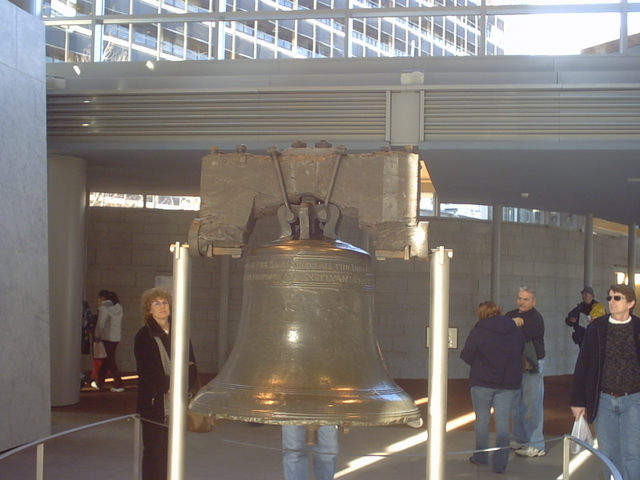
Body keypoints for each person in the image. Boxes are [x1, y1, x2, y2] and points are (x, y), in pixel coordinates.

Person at [570, 284, 640, 480]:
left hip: (634, 399)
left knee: (633, 454)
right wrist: (577, 401)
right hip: (605, 400)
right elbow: (582, 365)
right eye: (609, 298)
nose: (611, 302)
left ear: (631, 303)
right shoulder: (597, 328)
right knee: (608, 454)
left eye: (617, 298)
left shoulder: (638, 327)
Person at [134, 288, 198, 480]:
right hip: (155, 402)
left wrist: (181, 387)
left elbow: (192, 364)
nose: (162, 307)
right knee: (154, 450)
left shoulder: (179, 333)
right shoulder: (143, 336)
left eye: (164, 302)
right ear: (149, 310)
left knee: (172, 450)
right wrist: (169, 386)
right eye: (156, 303)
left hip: (176, 401)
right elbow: (147, 371)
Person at [460, 301, 524, 474]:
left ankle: (481, 457)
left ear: (481, 314)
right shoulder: (514, 331)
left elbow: (466, 355)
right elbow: (520, 352)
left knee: (482, 420)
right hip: (508, 383)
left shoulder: (479, 331)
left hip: (482, 382)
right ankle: (500, 464)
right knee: (503, 422)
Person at [506, 285, 546, 457]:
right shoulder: (510, 315)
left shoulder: (536, 318)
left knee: (532, 405)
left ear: (533, 301)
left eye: (526, 299)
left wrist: (512, 326)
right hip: (515, 366)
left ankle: (537, 444)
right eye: (520, 298)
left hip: (532, 366)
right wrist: (512, 323)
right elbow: (501, 331)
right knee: (516, 405)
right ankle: (521, 439)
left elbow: (519, 337)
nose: (521, 302)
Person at [93, 289, 125, 392]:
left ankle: (119, 384)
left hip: (106, 337)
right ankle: (100, 382)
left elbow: (101, 324)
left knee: (110, 361)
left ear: (103, 298)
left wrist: (97, 335)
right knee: (106, 360)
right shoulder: (119, 307)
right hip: (116, 337)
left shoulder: (103, 308)